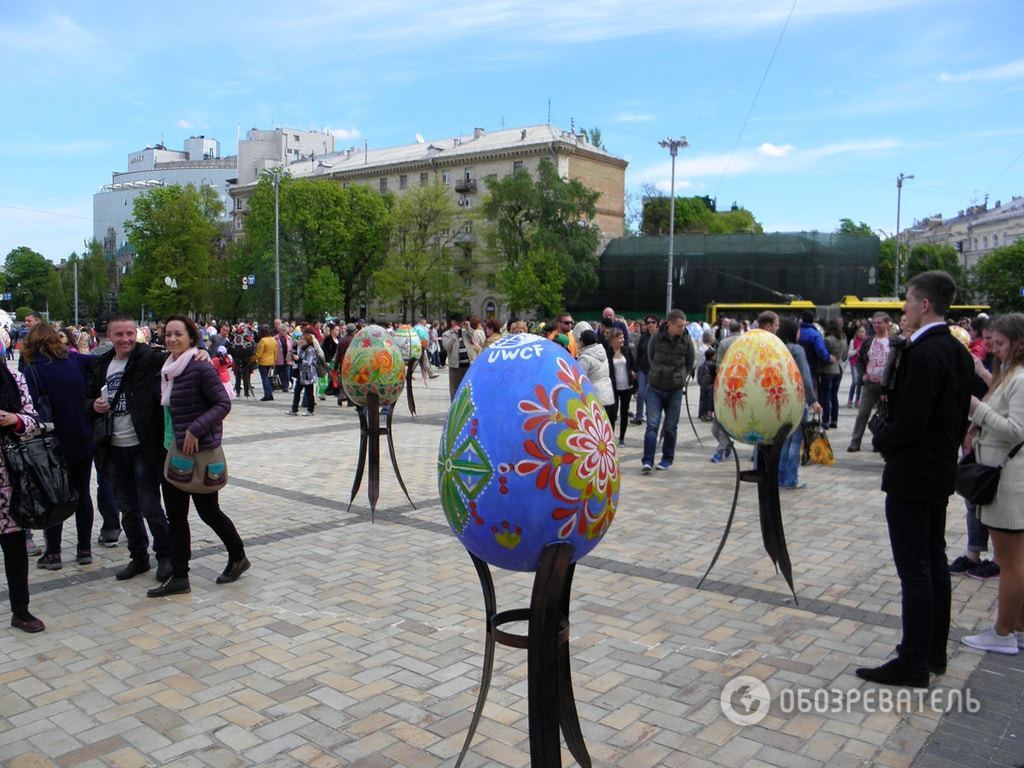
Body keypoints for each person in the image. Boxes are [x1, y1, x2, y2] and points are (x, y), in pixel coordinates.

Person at [856, 271, 974, 687]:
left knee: (916, 569)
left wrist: (882, 435)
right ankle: (934, 650)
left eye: (907, 299)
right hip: (938, 471)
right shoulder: (957, 351)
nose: (903, 307)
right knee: (934, 560)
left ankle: (913, 659)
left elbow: (912, 421)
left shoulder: (925, 353)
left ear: (925, 304)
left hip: (913, 473)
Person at [149, 315, 248, 597]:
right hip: (172, 451)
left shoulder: (200, 367)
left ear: (192, 337)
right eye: (167, 334)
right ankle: (180, 576)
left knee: (208, 512)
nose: (171, 339)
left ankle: (238, 556)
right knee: (176, 517)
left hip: (198, 452)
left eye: (178, 334)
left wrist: (195, 429)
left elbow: (222, 403)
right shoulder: (167, 367)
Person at [88, 315, 174, 582]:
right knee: (127, 508)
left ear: (136, 333)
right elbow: (86, 398)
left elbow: (178, 359)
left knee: (150, 505)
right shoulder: (102, 364)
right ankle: (138, 557)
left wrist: (201, 355)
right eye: (118, 334)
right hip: (113, 448)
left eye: (129, 333)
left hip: (143, 448)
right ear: (109, 336)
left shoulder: (149, 359)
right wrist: (93, 405)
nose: (124, 339)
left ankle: (165, 556)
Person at [960, 313, 1024, 654]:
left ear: (1018, 342)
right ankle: (1018, 627)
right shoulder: (1011, 374)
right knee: (1015, 559)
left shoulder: (1020, 377)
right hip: (1005, 476)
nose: (995, 351)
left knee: (1009, 560)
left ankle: (1003, 633)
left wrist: (977, 410)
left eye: (1000, 344)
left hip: (1009, 481)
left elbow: (1017, 429)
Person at [22, 324, 97, 571]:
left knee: (54, 494)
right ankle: (84, 549)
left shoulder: (33, 370)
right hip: (81, 436)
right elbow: (100, 363)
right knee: (82, 493)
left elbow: (30, 407)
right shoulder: (74, 363)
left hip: (52, 442)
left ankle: (53, 553)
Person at [0, 362, 44, 631]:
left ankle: (21, 610)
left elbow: (34, 421)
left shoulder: (13, 378)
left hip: (10, 482)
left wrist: (14, 419)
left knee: (15, 548)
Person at [641, 309, 695, 473]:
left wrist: (681, 376)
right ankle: (648, 460)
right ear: (669, 324)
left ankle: (667, 458)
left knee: (671, 426)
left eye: (684, 325)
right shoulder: (657, 337)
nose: (682, 328)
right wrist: (658, 371)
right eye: (679, 326)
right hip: (655, 388)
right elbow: (650, 356)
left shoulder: (687, 340)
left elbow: (690, 361)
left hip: (675, 390)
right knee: (652, 425)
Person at [776, 316, 821, 489]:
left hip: (781, 400)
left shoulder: (777, 348)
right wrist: (813, 400)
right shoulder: (797, 350)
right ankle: (791, 479)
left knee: (783, 441)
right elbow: (805, 377)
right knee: (795, 441)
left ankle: (780, 477)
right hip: (797, 400)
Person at [847, 313, 892, 452]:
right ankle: (855, 441)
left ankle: (878, 442)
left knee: (883, 416)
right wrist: (863, 375)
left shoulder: (893, 341)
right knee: (862, 414)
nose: (877, 326)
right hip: (870, 384)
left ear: (887, 323)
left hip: (887, 386)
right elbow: (859, 360)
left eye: (879, 323)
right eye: (874, 323)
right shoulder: (868, 341)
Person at [577, 329, 615, 421]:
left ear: (582, 341)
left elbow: (579, 379)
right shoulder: (602, 352)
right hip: (608, 394)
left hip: (593, 397)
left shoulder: (585, 358)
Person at [607, 327, 636, 445]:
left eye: (623, 337)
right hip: (613, 387)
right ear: (613, 339)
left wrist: (633, 372)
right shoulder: (607, 352)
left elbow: (633, 364)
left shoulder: (626, 350)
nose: (622, 340)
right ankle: (611, 438)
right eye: (619, 338)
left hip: (626, 387)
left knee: (624, 414)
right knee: (612, 414)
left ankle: (622, 438)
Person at [288, 328, 324, 416]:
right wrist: (294, 357)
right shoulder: (303, 348)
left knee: (309, 393)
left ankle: (310, 410)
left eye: (303, 338)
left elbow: (308, 362)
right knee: (297, 392)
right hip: (301, 374)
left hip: (308, 375)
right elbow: (300, 359)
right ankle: (294, 409)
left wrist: (299, 359)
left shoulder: (310, 349)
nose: (301, 340)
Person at [819, 320, 847, 429]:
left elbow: (823, 355)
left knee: (826, 396)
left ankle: (825, 420)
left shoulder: (827, 340)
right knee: (834, 395)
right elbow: (844, 355)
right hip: (839, 368)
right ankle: (834, 420)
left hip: (828, 369)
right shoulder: (843, 339)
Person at [442, 315, 475, 400]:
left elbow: (473, 338)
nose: (459, 325)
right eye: (457, 322)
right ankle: (454, 408)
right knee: (455, 389)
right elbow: (446, 347)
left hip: (467, 365)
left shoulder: (465, 332)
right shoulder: (446, 334)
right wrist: (453, 335)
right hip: (455, 367)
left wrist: (468, 328)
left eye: (460, 323)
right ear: (452, 322)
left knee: (467, 388)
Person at [254, 324, 278, 401]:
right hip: (271, 362)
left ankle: (267, 395)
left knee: (265, 379)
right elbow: (276, 352)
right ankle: (270, 394)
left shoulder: (263, 340)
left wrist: (251, 359)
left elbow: (259, 354)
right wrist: (274, 362)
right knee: (268, 378)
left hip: (263, 362)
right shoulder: (273, 339)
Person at [846, 325, 867, 408]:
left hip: (862, 364)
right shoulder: (853, 341)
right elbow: (849, 354)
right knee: (855, 381)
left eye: (863, 332)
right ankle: (850, 399)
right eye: (860, 332)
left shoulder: (866, 341)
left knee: (859, 382)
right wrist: (857, 350)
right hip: (854, 363)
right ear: (857, 333)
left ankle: (857, 400)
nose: (862, 334)